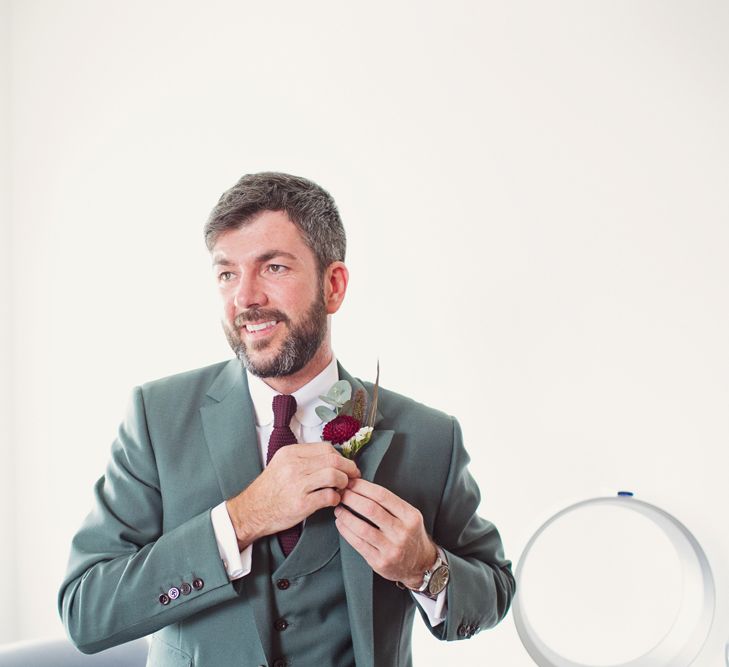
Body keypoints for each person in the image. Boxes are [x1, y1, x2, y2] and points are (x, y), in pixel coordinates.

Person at [58, 172, 515, 667]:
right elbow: (86, 611)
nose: (245, 298)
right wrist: (240, 520)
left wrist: (425, 568)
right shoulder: (156, 417)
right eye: (227, 273)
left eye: (273, 267)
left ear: (334, 285)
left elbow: (494, 588)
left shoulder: (429, 436)